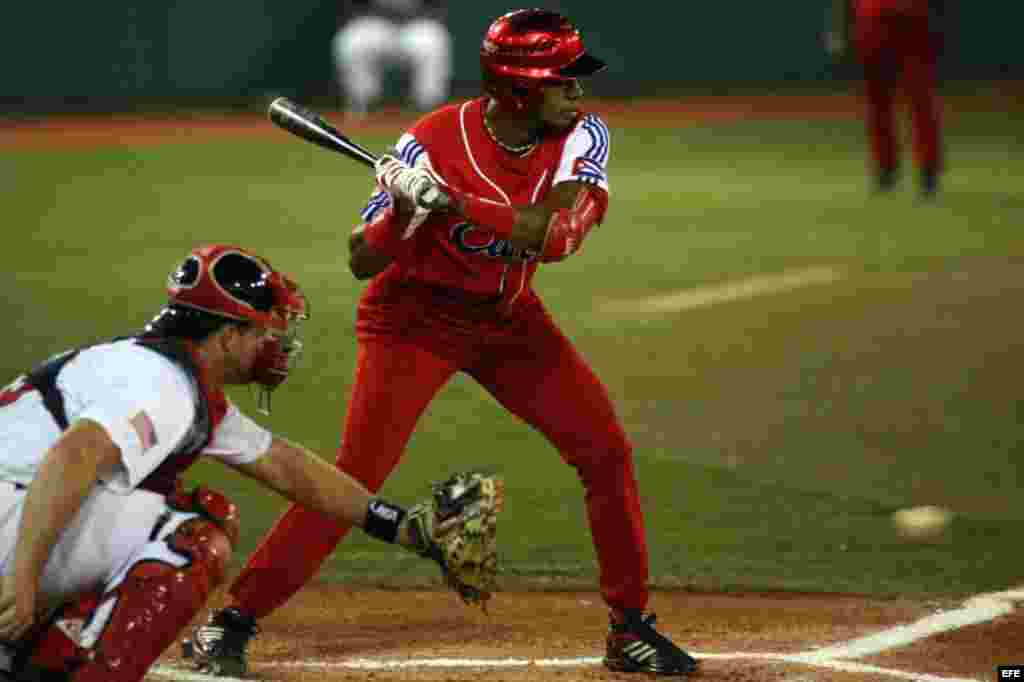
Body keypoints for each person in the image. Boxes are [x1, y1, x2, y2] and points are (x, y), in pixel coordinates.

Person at [192, 8, 699, 677]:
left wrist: (459, 202)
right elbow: (361, 261)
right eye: (564, 79)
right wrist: (402, 213)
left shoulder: (582, 137)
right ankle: (231, 623)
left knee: (603, 450)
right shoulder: (429, 142)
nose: (579, 92)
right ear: (519, 88)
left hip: (510, 321)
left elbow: (557, 236)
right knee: (354, 478)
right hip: (412, 322)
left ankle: (630, 627)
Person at [0, 244, 485, 681]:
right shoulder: (160, 383)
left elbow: (284, 466)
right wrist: (23, 578)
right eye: (267, 331)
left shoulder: (168, 377)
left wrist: (402, 526)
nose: (276, 345)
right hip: (10, 521)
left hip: (15, 507)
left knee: (159, 504)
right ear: (229, 335)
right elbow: (73, 456)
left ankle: (27, 653)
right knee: (195, 533)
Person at [828, 0, 946, 197]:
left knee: (908, 99)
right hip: (889, 17)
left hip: (894, 16)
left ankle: (911, 169)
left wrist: (840, 28)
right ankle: (905, 169)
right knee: (890, 100)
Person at [332, 0, 452, 116]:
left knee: (435, 40)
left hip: (415, 25)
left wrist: (416, 15)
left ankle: (428, 108)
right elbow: (351, 6)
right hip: (375, 24)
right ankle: (364, 105)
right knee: (352, 42)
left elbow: (438, 7)